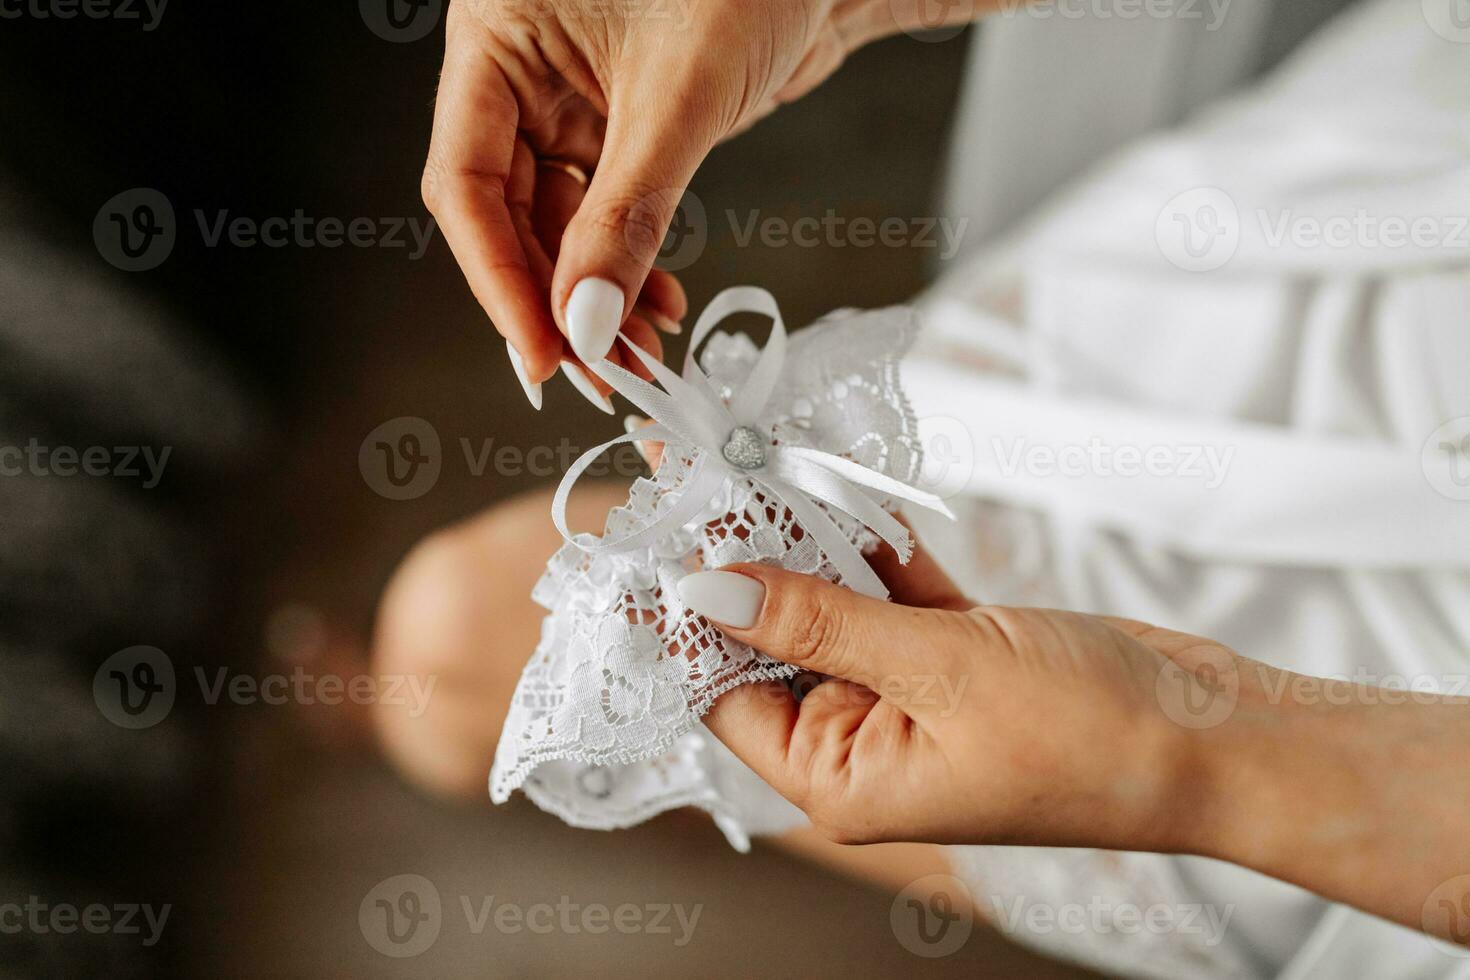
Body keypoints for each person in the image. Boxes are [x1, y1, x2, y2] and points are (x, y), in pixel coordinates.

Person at [382, 0, 1470, 975]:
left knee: (448, 643)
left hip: (1353, 785)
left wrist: (1177, 763)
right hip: (1342, 284)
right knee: (450, 635)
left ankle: (693, 799)